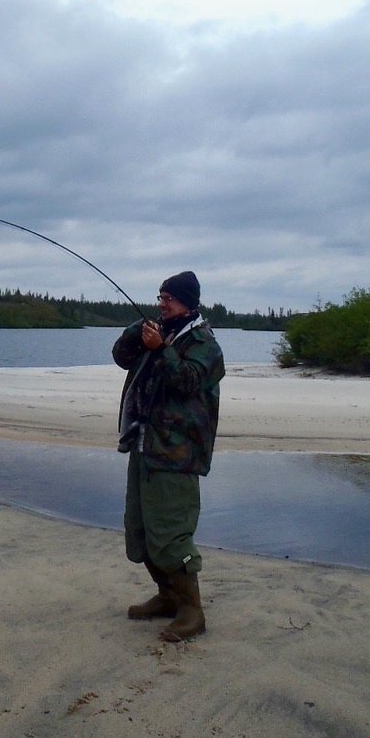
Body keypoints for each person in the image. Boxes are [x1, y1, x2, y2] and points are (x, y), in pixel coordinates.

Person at [112, 271, 225, 641]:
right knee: (140, 529)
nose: (163, 304)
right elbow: (120, 355)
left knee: (172, 533)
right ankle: (167, 596)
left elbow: (188, 381)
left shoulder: (205, 344)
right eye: (160, 298)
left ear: (189, 304)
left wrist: (162, 348)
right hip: (145, 443)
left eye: (169, 299)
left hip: (177, 452)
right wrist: (141, 331)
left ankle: (193, 611)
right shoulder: (160, 333)